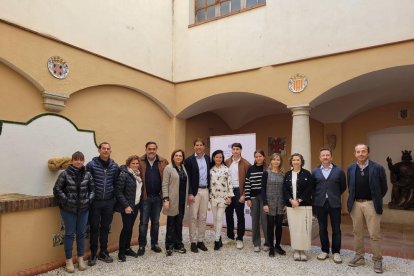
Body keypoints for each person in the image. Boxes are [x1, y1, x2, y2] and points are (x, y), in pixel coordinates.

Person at [347, 144, 387, 273]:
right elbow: (350, 186)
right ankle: (359, 257)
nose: (361, 154)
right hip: (355, 204)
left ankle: (377, 259)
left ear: (368, 153)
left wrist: (375, 198)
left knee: (374, 234)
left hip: (371, 204)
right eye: (358, 152)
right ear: (355, 154)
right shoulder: (351, 168)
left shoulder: (378, 168)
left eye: (363, 151)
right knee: (357, 232)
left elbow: (384, 188)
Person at [53, 151, 95, 273]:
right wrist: (66, 200)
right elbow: (57, 189)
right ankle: (69, 260)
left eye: (81, 159)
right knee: (70, 234)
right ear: (72, 161)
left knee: (81, 234)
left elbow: (92, 190)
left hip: (83, 209)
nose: (79, 161)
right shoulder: (64, 174)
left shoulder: (87, 174)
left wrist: (87, 201)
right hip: (68, 210)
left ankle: (80, 259)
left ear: (83, 161)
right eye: (76, 159)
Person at [86, 142, 119, 266]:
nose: (106, 150)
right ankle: (93, 253)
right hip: (95, 203)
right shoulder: (91, 165)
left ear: (110, 151)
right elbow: (87, 183)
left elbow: (116, 184)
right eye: (103, 148)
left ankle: (103, 252)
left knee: (105, 228)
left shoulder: (114, 166)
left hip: (109, 202)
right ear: (99, 150)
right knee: (94, 228)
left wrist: (114, 199)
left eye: (108, 149)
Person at [312, 148, 346, 264]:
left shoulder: (339, 171)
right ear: (320, 158)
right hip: (320, 203)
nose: (325, 157)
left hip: (334, 203)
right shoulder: (315, 171)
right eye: (323, 155)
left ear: (331, 157)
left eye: (327, 155)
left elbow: (343, 187)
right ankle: (325, 251)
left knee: (336, 229)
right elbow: (313, 187)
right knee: (322, 228)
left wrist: (334, 195)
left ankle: (336, 252)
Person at [137, 141, 169, 256]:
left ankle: (154, 244)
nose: (151, 151)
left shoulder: (163, 161)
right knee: (143, 223)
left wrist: (166, 197)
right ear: (146, 149)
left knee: (155, 222)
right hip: (145, 198)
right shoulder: (140, 161)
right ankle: (141, 245)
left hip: (157, 198)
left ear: (156, 149)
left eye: (153, 149)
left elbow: (168, 178)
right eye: (149, 149)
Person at [283, 153, 313, 261]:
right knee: (294, 228)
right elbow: (284, 190)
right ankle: (296, 249)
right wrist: (291, 200)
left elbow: (309, 188)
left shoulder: (307, 174)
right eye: (294, 160)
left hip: (304, 205)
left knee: (304, 229)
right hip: (291, 206)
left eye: (298, 160)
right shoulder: (287, 175)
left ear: (301, 161)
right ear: (291, 162)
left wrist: (299, 200)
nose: (296, 161)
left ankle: (303, 250)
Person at [114, 155, 143, 262]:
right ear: (128, 164)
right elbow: (118, 191)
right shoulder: (124, 174)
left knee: (130, 228)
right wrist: (126, 206)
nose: (135, 165)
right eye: (133, 163)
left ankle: (127, 248)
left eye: (137, 163)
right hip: (127, 207)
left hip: (135, 205)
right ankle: (121, 253)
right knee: (126, 228)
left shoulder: (137, 175)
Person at [184, 138, 211, 253]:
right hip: (194, 192)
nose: (199, 147)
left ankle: (200, 240)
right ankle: (193, 242)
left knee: (203, 217)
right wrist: (190, 192)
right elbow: (187, 178)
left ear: (204, 147)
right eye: (197, 145)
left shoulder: (208, 159)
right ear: (194, 147)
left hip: (205, 190)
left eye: (201, 145)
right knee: (193, 217)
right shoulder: (189, 160)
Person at [162, 149, 189, 256]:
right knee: (171, 223)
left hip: (182, 200)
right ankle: (169, 245)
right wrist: (166, 199)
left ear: (183, 158)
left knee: (179, 223)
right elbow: (164, 184)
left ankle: (178, 244)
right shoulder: (168, 168)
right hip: (172, 200)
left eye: (180, 156)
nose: (178, 157)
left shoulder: (183, 167)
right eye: (176, 155)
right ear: (173, 157)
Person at [224, 142, 251, 249]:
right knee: (228, 214)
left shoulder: (246, 164)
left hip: (239, 192)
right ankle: (230, 237)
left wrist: (244, 194)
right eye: (234, 149)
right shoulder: (226, 162)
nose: (235, 151)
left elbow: (248, 182)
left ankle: (240, 238)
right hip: (228, 192)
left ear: (241, 150)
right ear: (231, 150)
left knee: (240, 216)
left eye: (237, 149)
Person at [245, 149, 270, 252]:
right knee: (255, 220)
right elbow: (247, 183)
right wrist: (247, 198)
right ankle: (256, 243)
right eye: (256, 156)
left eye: (260, 156)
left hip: (265, 198)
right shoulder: (251, 168)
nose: (258, 158)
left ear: (264, 157)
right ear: (254, 158)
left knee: (265, 221)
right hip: (254, 198)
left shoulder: (268, 168)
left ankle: (268, 243)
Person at [262, 153, 286, 257]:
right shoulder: (266, 173)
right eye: (274, 159)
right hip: (270, 202)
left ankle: (278, 245)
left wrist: (285, 203)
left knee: (279, 226)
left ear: (280, 162)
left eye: (278, 160)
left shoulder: (283, 174)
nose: (276, 161)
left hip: (280, 202)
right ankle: (271, 247)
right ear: (271, 161)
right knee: (271, 226)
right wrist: (265, 204)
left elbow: (285, 190)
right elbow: (262, 190)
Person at [209, 150, 234, 250]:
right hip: (213, 197)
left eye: (220, 157)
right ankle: (218, 237)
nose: (219, 159)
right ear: (214, 158)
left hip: (223, 197)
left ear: (223, 158)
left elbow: (230, 183)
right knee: (215, 218)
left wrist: (229, 196)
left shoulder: (226, 169)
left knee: (219, 217)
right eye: (217, 157)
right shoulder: (210, 170)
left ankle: (216, 240)